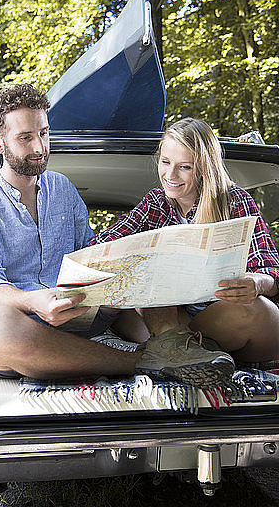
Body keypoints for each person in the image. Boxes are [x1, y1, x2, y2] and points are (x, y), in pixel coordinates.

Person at [0, 83, 146, 380]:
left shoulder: (63, 189)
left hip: (76, 316)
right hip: (18, 326)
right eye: (25, 138)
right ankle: (141, 364)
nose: (39, 147)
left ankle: (165, 350)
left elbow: (89, 255)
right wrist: (36, 301)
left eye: (43, 133)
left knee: (138, 290)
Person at [90, 118, 279, 385]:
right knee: (140, 288)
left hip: (235, 321)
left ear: (203, 168)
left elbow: (270, 270)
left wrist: (255, 283)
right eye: (165, 162)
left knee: (251, 307)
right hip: (173, 322)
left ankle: (169, 353)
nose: (170, 175)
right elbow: (102, 247)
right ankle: (181, 356)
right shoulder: (155, 203)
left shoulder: (234, 201)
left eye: (184, 167)